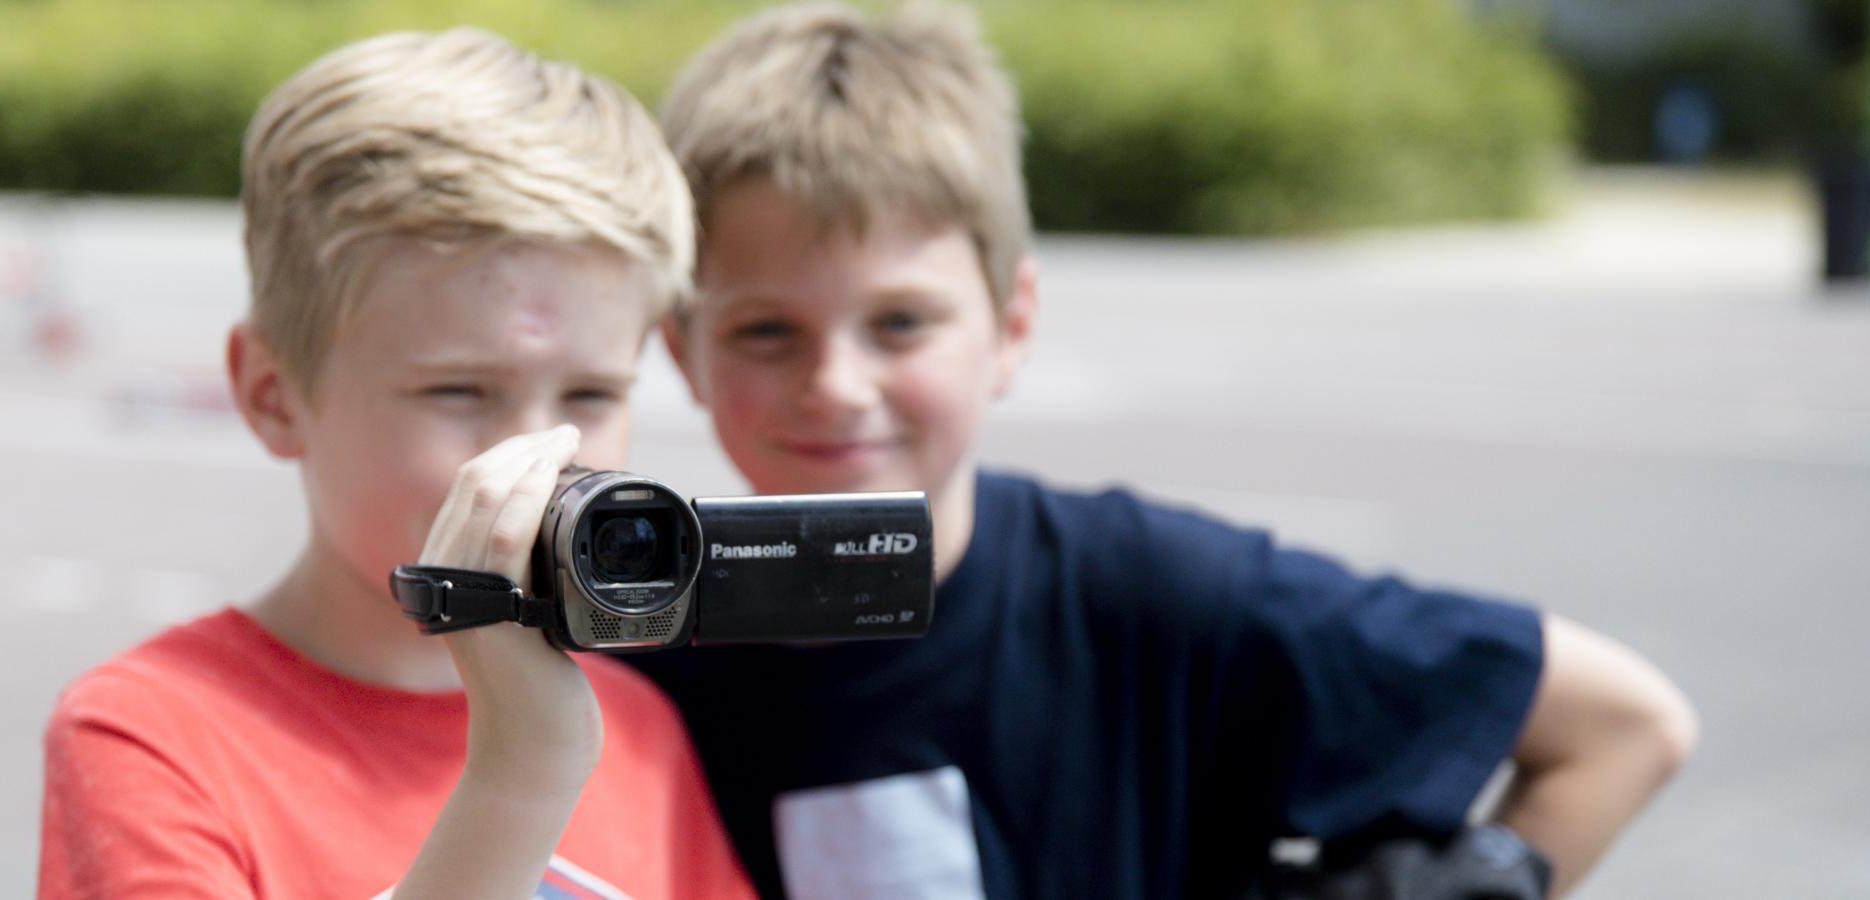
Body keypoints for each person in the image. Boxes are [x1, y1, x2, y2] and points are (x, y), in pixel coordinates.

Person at [627, 4, 1700, 898]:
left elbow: (1622, 728)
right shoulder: (628, 651)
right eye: (767, 331)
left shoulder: (1157, 594)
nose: (836, 384)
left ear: (1011, 324)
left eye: (901, 323)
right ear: (683, 347)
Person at [37, 29, 755, 900]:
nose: (533, 466)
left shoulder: (637, 727)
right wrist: (521, 776)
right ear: (273, 393)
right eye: (458, 390)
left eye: (591, 397)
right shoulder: (154, 736)